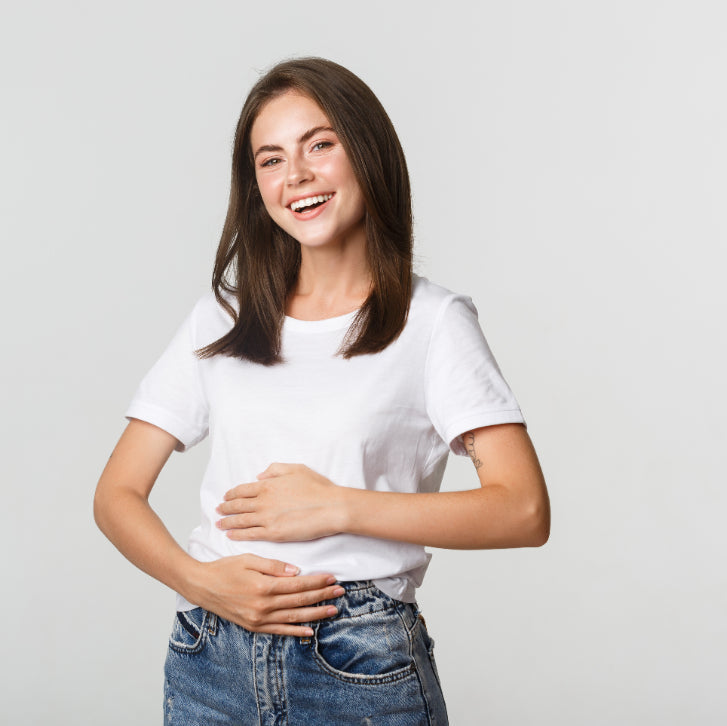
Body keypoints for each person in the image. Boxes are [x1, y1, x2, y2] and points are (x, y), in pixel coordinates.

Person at [94, 57, 550, 725]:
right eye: (271, 159)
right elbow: (115, 494)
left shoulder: (433, 323)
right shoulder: (222, 318)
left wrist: (337, 506)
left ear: (367, 152)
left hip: (358, 661)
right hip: (208, 657)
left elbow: (523, 511)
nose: (296, 175)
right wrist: (201, 582)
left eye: (319, 145)